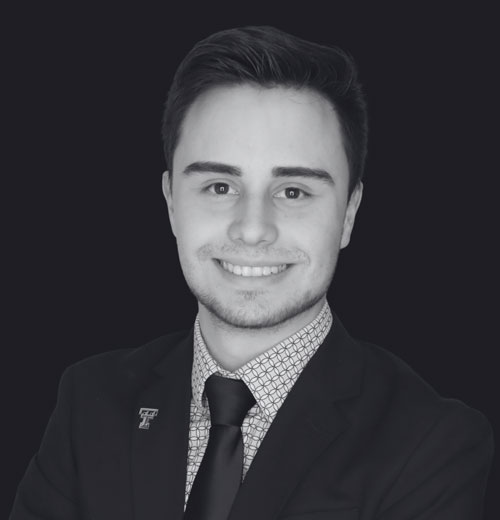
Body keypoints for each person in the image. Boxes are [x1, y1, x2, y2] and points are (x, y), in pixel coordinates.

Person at [11, 25, 493, 520]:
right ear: (172, 202)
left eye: (293, 192)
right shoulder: (90, 401)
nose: (253, 229)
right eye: (220, 187)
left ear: (349, 214)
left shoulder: (432, 445)